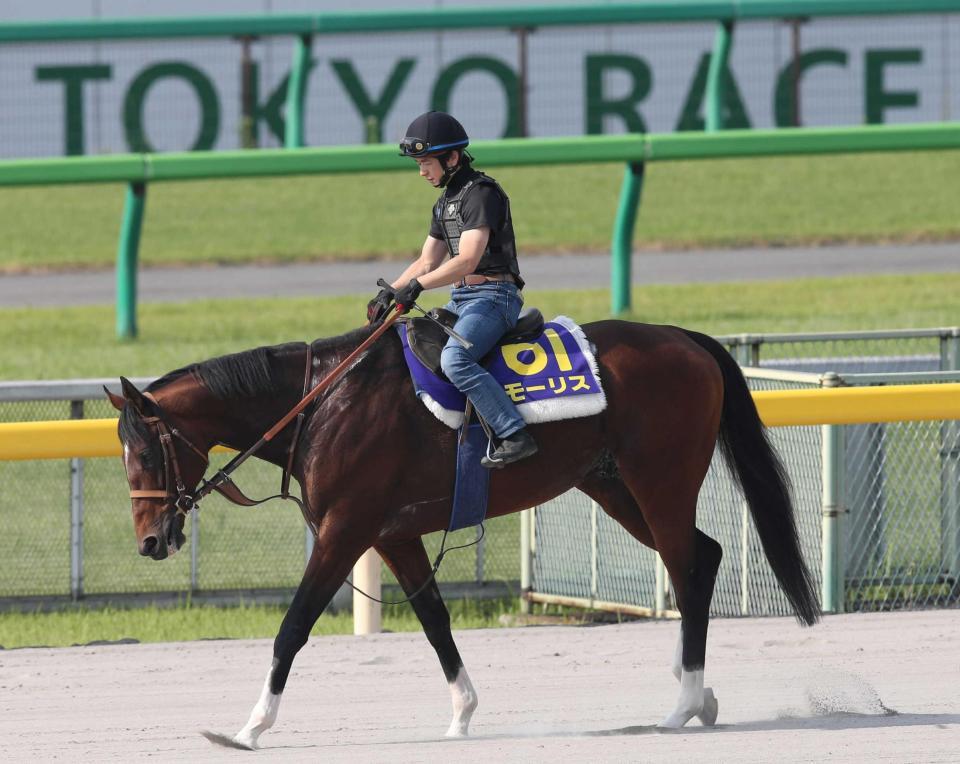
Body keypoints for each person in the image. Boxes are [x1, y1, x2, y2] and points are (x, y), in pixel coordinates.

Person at [366, 111, 537, 469]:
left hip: (495, 299)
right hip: (462, 300)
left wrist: (417, 287)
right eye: (419, 165)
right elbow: (427, 261)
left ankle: (513, 433)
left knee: (455, 360)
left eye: (426, 163)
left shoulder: (482, 194)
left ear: (453, 158)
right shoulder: (444, 203)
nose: (422, 172)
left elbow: (467, 261)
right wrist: (391, 291)